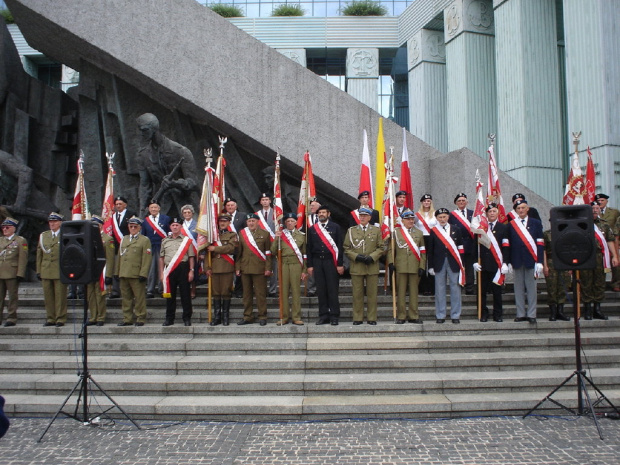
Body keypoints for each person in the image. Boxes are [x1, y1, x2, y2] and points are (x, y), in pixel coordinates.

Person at [136, 113, 199, 215]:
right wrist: (142, 212)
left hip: (184, 207)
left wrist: (175, 183)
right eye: (140, 130)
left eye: (144, 130)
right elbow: (144, 186)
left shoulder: (180, 151)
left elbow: (193, 182)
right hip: (160, 208)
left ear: (154, 128)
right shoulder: (143, 155)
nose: (142, 134)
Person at [344, 207, 386, 325]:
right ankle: (358, 317)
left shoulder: (376, 230)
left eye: (365, 216)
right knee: (357, 294)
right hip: (357, 266)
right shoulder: (351, 231)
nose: (362, 217)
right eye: (361, 216)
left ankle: (371, 318)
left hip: (372, 266)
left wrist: (372, 257)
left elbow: (381, 247)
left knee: (372, 294)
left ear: (369, 218)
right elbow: (346, 248)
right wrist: (356, 257)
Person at [306, 205, 344, 325]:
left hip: (331, 261)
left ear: (329, 214)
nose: (321, 214)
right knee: (321, 290)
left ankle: (334, 316)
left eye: (323, 212)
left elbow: (340, 247)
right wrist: (310, 265)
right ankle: (323, 315)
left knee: (332, 289)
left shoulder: (336, 227)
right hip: (318, 262)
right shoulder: (312, 229)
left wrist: (340, 264)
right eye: (319, 213)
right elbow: (309, 248)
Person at [581, 202, 619, 320]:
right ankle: (587, 310)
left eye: (597, 208)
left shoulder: (604, 225)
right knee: (586, 283)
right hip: (586, 257)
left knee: (599, 283)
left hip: (600, 257)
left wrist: (614, 256)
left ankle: (597, 309)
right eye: (593, 208)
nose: (595, 210)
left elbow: (610, 241)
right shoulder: (582, 225)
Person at [509, 199, 544, 323]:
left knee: (531, 288)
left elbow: (540, 243)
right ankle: (520, 313)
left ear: (527, 208)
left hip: (531, 259)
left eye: (523, 208)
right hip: (517, 260)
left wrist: (540, 261)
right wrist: (507, 261)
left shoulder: (536, 223)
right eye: (518, 209)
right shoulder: (512, 224)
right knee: (518, 288)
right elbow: (508, 244)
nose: (521, 210)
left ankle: (532, 314)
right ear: (516, 211)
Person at [473, 204, 510, 322]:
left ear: (498, 213)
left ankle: (497, 314)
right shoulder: (480, 228)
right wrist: (474, 262)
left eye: (494, 211)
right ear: (486, 214)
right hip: (482, 264)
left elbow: (506, 246)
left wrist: (505, 263)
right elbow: (475, 246)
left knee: (497, 291)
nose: (492, 213)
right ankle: (483, 313)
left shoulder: (503, 228)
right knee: (482, 291)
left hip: (496, 265)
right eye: (490, 211)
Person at [388, 210, 425, 324]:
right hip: (401, 265)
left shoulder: (419, 233)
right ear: (402, 220)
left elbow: (423, 251)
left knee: (414, 292)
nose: (411, 221)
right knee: (401, 292)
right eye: (408, 219)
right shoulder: (396, 232)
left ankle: (413, 315)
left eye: (412, 219)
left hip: (414, 265)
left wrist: (422, 266)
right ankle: (401, 315)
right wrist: (391, 262)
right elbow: (391, 249)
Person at [427, 208, 464, 324]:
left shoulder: (456, 229)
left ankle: (455, 315)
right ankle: (440, 315)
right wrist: (431, 266)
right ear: (437, 218)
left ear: (448, 217)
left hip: (454, 262)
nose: (442, 219)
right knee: (440, 289)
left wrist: (461, 264)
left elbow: (460, 248)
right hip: (439, 263)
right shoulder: (434, 231)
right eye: (440, 217)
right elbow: (431, 250)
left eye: (444, 217)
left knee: (455, 289)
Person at [236, 213, 272, 325]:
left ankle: (262, 316)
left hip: (259, 268)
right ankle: (248, 316)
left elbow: (268, 253)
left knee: (260, 294)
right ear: (246, 223)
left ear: (257, 222)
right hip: (245, 268)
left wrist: (268, 268)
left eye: (253, 221)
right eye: (249, 221)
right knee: (246, 294)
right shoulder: (242, 234)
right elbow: (239, 253)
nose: (251, 223)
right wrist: (237, 267)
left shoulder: (265, 234)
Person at [115, 217, 152, 326]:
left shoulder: (144, 240)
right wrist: (117, 272)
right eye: (131, 226)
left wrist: (143, 273)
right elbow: (120, 257)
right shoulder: (124, 239)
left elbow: (146, 258)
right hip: (124, 273)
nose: (133, 228)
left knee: (139, 297)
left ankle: (140, 317)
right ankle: (127, 318)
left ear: (140, 227)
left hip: (136, 273)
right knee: (126, 298)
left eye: (135, 226)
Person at [272, 212, 307, 325]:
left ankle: (296, 316)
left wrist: (304, 270)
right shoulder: (281, 234)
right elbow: (273, 251)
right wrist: (276, 238)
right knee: (283, 291)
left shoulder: (301, 235)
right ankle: (284, 316)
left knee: (296, 291)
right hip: (284, 264)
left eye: (292, 221)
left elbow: (305, 255)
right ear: (285, 223)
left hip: (296, 264)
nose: (290, 223)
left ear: (296, 222)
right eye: (287, 221)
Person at [160, 217, 195, 326]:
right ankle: (169, 319)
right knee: (170, 295)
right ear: (170, 227)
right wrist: (161, 273)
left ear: (181, 226)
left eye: (177, 225)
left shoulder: (186, 240)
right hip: (169, 270)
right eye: (173, 225)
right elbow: (161, 257)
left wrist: (191, 271)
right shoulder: (165, 240)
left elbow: (191, 257)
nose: (175, 227)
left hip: (183, 268)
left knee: (185, 295)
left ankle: (187, 318)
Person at [205, 213, 238, 326]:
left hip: (226, 267)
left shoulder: (232, 235)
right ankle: (217, 317)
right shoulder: (213, 236)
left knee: (225, 292)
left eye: (225, 221)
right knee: (216, 293)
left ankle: (225, 317)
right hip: (214, 267)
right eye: (220, 221)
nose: (222, 223)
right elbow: (207, 253)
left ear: (229, 223)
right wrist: (207, 267)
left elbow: (231, 248)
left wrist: (216, 248)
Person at [37, 212, 67, 327]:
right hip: (46, 270)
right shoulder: (44, 235)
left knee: (60, 296)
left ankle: (60, 318)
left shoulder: (65, 235)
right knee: (48, 296)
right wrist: (39, 270)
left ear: (60, 223)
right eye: (50, 222)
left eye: (54, 221)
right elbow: (39, 254)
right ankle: (50, 318)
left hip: (59, 270)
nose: (52, 224)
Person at [85, 216, 115, 326]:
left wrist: (108, 275)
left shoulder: (107, 239)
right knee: (90, 295)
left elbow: (110, 259)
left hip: (101, 271)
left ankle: (101, 317)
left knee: (99, 295)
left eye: (96, 225)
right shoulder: (87, 238)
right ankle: (93, 316)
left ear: (101, 225)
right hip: (90, 271)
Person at [0, 217, 27, 327]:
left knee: (12, 297)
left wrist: (20, 273)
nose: (4, 229)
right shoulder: (1, 240)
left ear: (13, 229)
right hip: (0, 271)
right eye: (3, 227)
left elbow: (22, 258)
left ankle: (11, 317)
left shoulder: (20, 241)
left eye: (7, 227)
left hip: (12, 272)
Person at [142, 200, 171, 298]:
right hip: (150, 247)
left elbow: (169, 233)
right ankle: (150, 289)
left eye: (155, 207)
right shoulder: (145, 221)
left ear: (159, 208)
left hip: (161, 247)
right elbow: (143, 235)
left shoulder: (166, 219)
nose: (153, 209)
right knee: (151, 269)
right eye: (151, 208)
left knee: (161, 268)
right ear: (149, 209)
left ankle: (162, 288)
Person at [449, 193, 475, 295]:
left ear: (467, 202)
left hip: (469, 243)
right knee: (458, 266)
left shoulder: (472, 213)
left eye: (463, 200)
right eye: (459, 201)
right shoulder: (452, 215)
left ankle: (469, 288)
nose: (461, 202)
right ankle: (458, 286)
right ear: (456, 203)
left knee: (469, 267)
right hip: (457, 244)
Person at [542, 228, 571, 322]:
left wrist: (570, 265)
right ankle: (553, 312)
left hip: (564, 261)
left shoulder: (567, 233)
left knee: (563, 287)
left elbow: (571, 250)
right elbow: (544, 251)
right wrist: (545, 265)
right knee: (552, 287)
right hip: (551, 262)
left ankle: (560, 311)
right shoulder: (546, 234)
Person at [110, 196, 136, 298]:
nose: (118, 206)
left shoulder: (131, 215)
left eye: (120, 204)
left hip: (128, 246)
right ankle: (115, 290)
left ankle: (130, 290)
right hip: (116, 247)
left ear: (125, 204)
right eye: (116, 204)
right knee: (116, 269)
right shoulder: (113, 216)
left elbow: (134, 229)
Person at [596, 193, 620, 291]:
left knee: (615, 261)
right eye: (599, 201)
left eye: (602, 200)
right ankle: (598, 284)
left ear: (606, 201)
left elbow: (617, 226)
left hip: (611, 241)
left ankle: (616, 283)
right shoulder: (593, 211)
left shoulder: (614, 212)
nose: (600, 202)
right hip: (597, 241)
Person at [256, 193, 278, 296]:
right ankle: (262, 289)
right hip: (260, 245)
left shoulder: (277, 213)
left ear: (270, 201)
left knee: (274, 268)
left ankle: (272, 290)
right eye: (263, 200)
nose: (265, 201)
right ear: (260, 202)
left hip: (273, 244)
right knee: (261, 269)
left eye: (267, 199)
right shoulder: (256, 215)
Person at [224, 197, 246, 298]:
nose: (230, 207)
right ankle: (229, 289)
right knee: (228, 270)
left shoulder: (242, 216)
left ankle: (238, 291)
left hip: (239, 247)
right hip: (226, 247)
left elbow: (246, 231)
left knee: (239, 270)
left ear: (236, 206)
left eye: (232, 205)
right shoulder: (222, 217)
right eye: (228, 205)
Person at [415, 194, 437, 296]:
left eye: (428, 201)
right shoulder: (417, 215)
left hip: (432, 238)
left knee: (431, 262)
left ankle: (432, 287)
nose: (426, 203)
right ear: (421, 202)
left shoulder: (435, 214)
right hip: (421, 239)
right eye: (424, 201)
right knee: (422, 262)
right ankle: (423, 287)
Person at [180, 204, 199, 298]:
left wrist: (202, 253)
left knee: (193, 272)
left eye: (189, 212)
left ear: (192, 213)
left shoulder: (197, 225)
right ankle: (185, 290)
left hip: (194, 251)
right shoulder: (180, 225)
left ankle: (193, 290)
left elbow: (201, 239)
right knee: (183, 272)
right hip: (182, 252)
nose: (187, 214)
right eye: (185, 212)